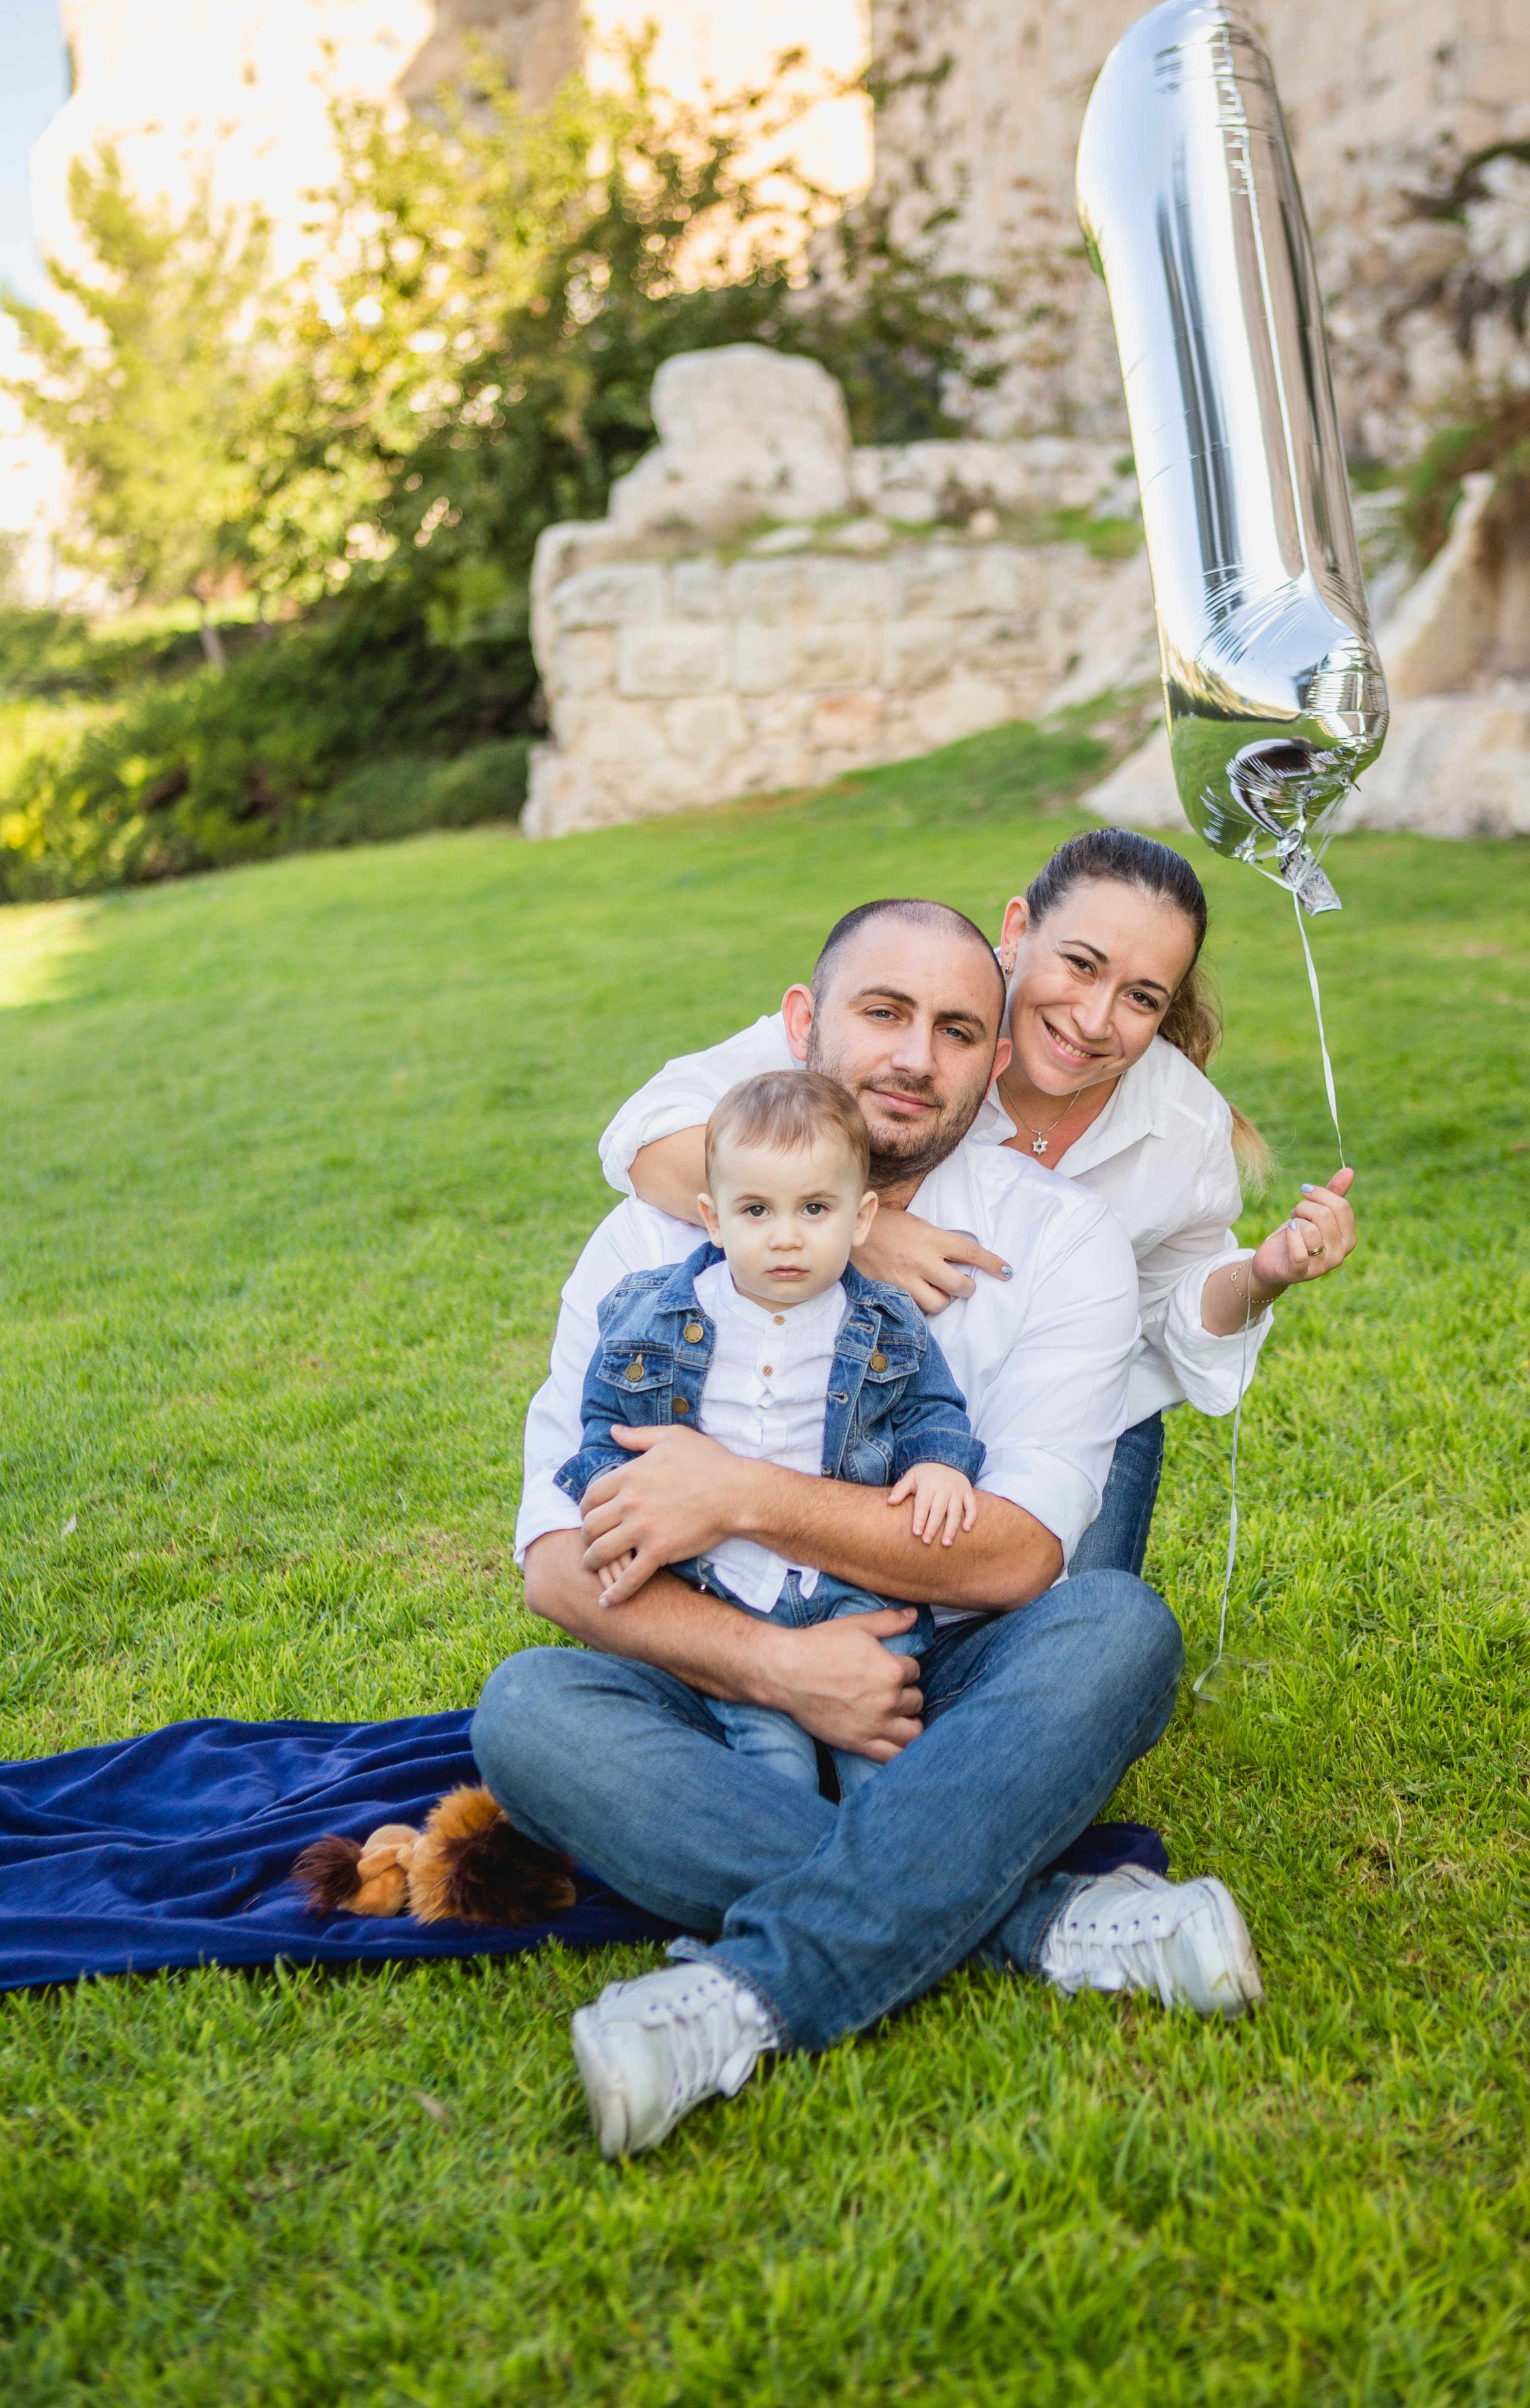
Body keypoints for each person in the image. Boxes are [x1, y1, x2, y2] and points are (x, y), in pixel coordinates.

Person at [472, 897, 1263, 2163]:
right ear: (800, 1024)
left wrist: (738, 1493)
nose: (913, 1057)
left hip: (950, 1664)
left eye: (955, 1030)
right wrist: (778, 1667)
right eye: (881, 1014)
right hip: (712, 1667)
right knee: (529, 1711)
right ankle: (1040, 1917)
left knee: (1114, 1628)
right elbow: (562, 1567)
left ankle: (746, 1998)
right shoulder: (654, 1235)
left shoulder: (1056, 1240)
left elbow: (1014, 1554)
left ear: (993, 1061)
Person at [601, 828, 1358, 1582]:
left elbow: (1176, 1303)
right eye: (1080, 964)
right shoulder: (920, 1020)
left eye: (1139, 998)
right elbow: (646, 1136)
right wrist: (865, 1233)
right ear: (1018, 931)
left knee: (1074, 1629)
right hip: (873, 1386)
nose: (1094, 1020)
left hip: (1071, 1403)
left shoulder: (1182, 1125)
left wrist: (1263, 1273)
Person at [556, 1068, 985, 1797]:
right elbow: (606, 1421)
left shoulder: (884, 1321)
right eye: (756, 1210)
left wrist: (940, 1464)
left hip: (852, 1592)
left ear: (861, 1218)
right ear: (713, 1217)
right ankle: (792, 1858)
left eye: (815, 1208)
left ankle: (886, 1856)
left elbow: (929, 1407)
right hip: (726, 1592)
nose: (785, 1238)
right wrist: (609, 1490)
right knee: (771, 1766)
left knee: (884, 1761)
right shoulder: (654, 1316)